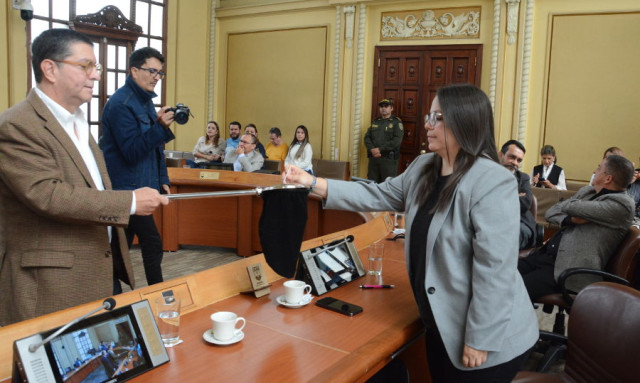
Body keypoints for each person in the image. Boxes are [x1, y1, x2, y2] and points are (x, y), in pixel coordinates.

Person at [283, 84, 537, 382]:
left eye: (438, 117)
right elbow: (376, 194)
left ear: (465, 122)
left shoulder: (492, 181)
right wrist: (311, 181)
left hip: (486, 335)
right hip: (440, 321)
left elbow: (496, 271)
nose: (428, 124)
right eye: (430, 115)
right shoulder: (424, 166)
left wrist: (481, 338)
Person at [0, 29, 167, 325]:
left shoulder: (76, 120)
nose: (96, 76)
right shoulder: (17, 125)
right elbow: (48, 195)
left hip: (98, 268)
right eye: (85, 66)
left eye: (97, 67)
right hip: (52, 283)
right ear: (50, 69)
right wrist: (128, 201)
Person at [101, 47, 176, 293]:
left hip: (142, 186)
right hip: (126, 190)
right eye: (152, 71)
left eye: (160, 73)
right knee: (149, 243)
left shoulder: (143, 101)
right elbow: (132, 151)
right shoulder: (121, 104)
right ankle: (157, 293)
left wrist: (162, 178)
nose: (157, 77)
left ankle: (116, 294)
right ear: (134, 70)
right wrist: (160, 127)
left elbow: (155, 149)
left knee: (121, 247)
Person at [519, 155, 635, 300]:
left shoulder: (622, 205)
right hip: (545, 256)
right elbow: (551, 211)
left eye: (599, 168)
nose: (595, 170)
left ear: (608, 178)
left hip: (566, 269)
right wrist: (570, 219)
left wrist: (568, 205)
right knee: (500, 274)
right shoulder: (588, 192)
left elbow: (567, 205)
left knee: (512, 290)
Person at [499, 140, 536, 249]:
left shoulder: (523, 178)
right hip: (492, 222)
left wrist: (498, 199)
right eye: (512, 157)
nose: (515, 163)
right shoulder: (488, 174)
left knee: (508, 234)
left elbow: (526, 203)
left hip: (520, 223)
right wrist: (515, 197)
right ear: (501, 155)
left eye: (519, 160)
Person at [363, 98, 404, 182]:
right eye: (381, 106)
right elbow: (367, 137)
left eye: (386, 106)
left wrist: (379, 149)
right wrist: (372, 149)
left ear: (391, 108)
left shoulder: (396, 123)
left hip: (388, 161)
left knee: (387, 185)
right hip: (374, 159)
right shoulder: (376, 122)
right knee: (372, 184)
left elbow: (396, 140)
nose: (383, 108)